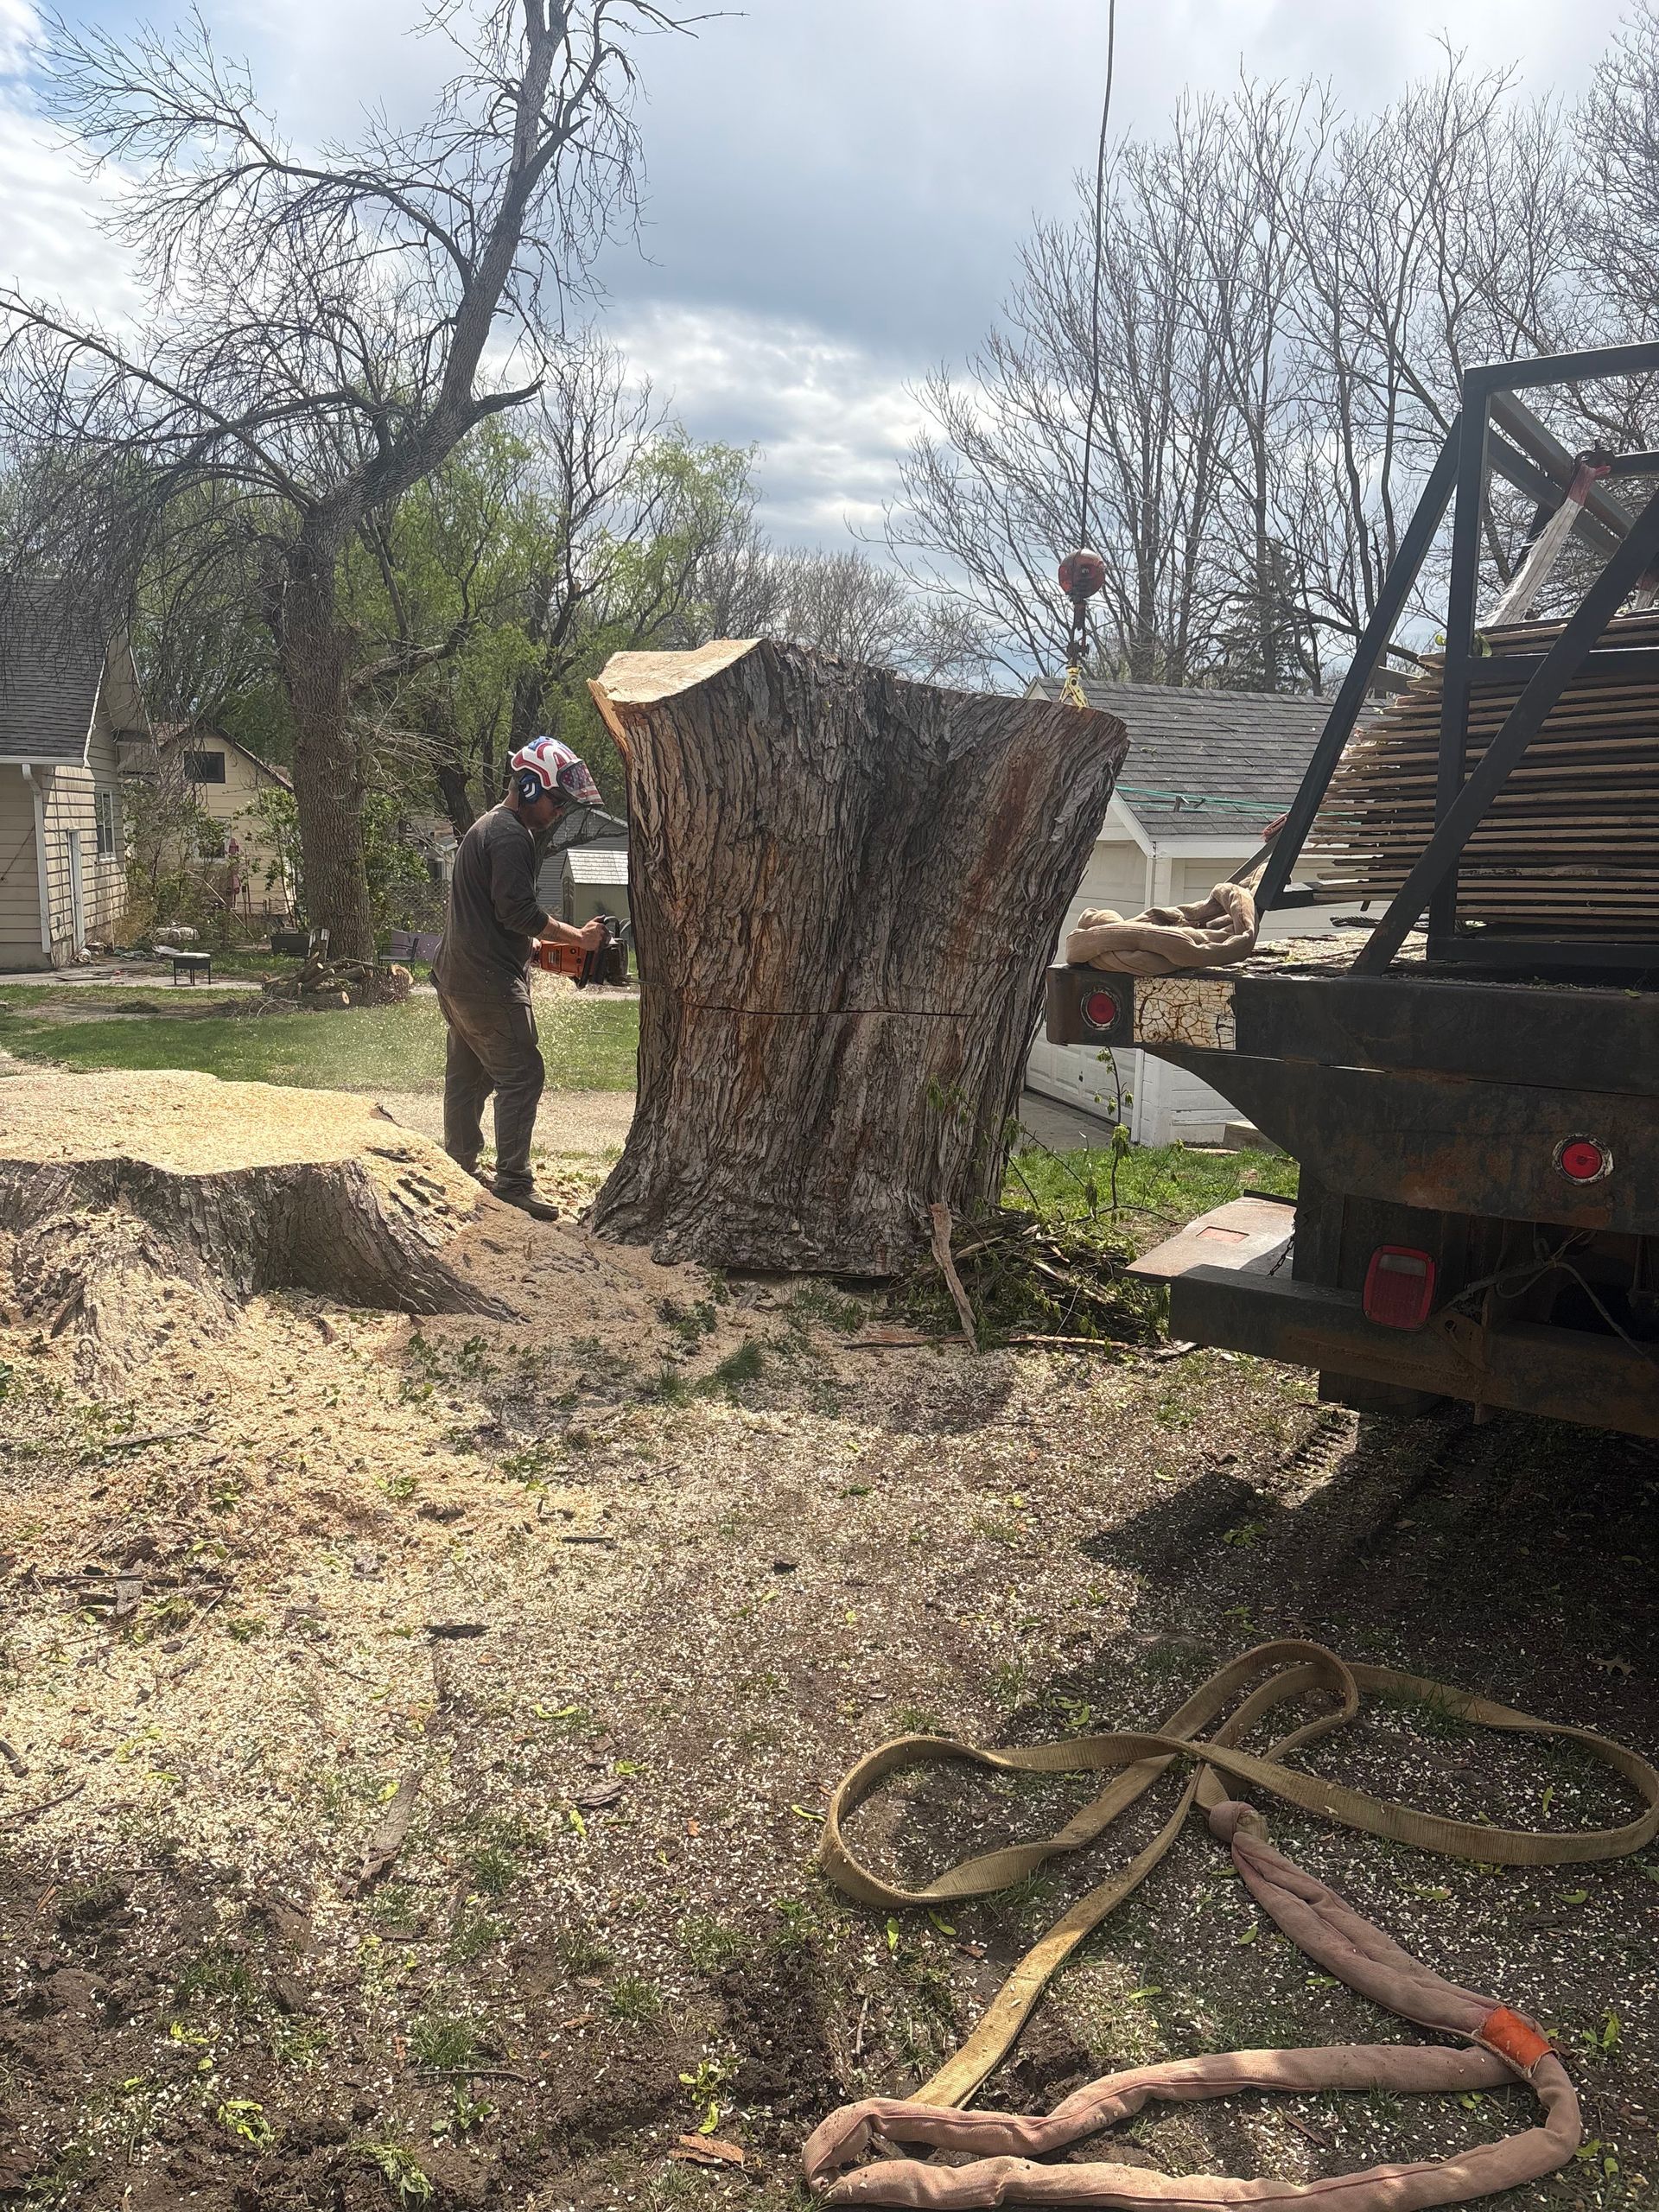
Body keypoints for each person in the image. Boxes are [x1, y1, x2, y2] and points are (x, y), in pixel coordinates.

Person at [433, 737, 608, 1221]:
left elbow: (491, 913)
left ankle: (458, 1164)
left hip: (458, 976)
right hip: (488, 983)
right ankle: (512, 1182)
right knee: (522, 1074)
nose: (558, 812)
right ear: (530, 786)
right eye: (556, 801)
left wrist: (533, 948)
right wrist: (578, 939)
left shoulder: (487, 827)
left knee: (468, 1078)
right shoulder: (512, 836)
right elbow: (517, 911)